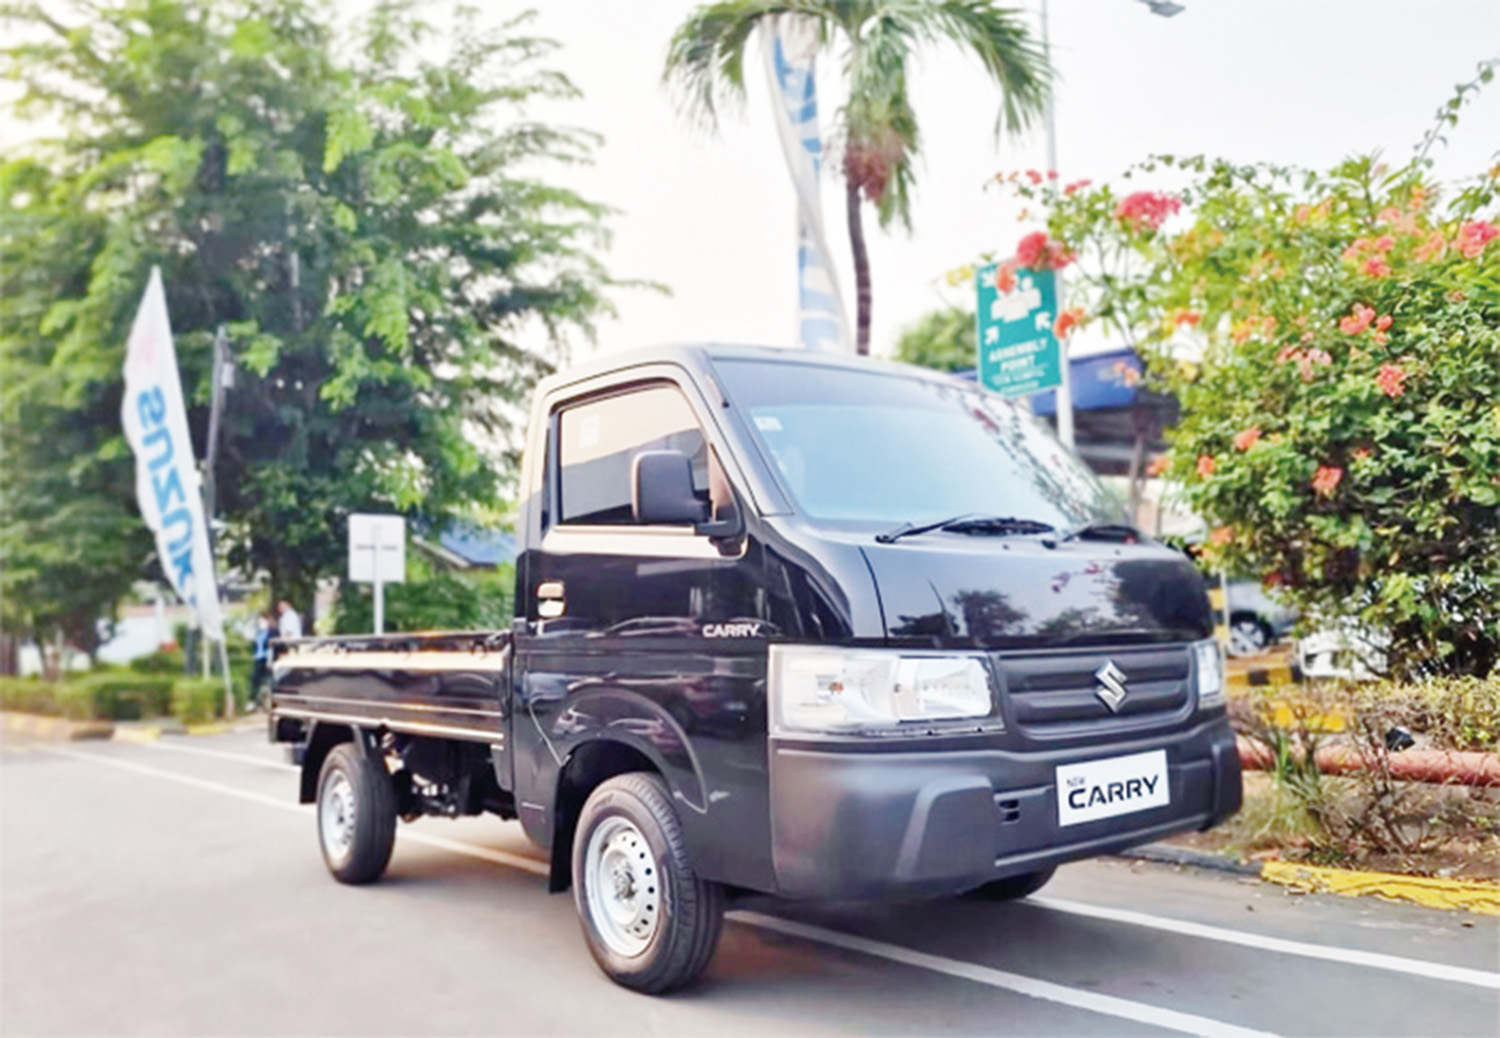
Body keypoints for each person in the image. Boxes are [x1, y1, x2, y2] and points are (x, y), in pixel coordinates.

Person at [248, 613, 273, 710]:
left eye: (262, 620)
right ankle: (255, 701)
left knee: (268, 680)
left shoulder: (270, 632)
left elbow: (270, 647)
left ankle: (267, 701)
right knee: (255, 679)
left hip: (266, 658)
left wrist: (270, 661)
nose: (260, 622)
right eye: (259, 620)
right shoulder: (258, 632)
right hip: (258, 658)